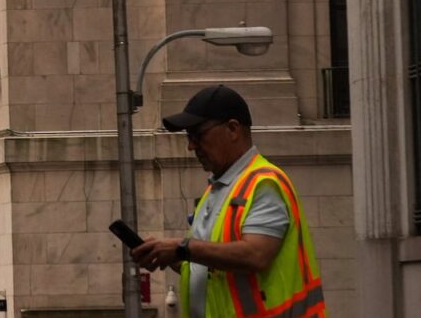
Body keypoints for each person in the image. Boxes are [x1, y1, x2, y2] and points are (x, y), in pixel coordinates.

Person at [131, 85, 324, 317]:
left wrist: (181, 249)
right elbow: (210, 269)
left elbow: (256, 254)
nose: (191, 146)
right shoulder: (218, 190)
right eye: (189, 137)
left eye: (198, 135)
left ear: (233, 129)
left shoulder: (264, 183)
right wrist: (170, 255)